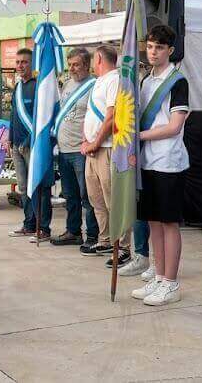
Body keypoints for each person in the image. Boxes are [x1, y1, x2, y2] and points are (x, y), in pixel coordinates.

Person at [129, 25, 190, 305]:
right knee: (153, 221)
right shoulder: (145, 80)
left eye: (160, 48)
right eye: (151, 47)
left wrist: (139, 136)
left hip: (169, 162)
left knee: (169, 223)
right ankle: (159, 275)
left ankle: (171, 282)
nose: (153, 52)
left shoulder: (177, 82)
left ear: (170, 51)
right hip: (147, 160)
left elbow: (174, 126)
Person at [81, 45, 131, 262]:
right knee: (97, 199)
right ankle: (105, 239)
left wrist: (96, 142)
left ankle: (123, 247)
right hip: (92, 149)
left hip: (107, 148)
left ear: (99, 58)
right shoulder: (99, 81)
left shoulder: (114, 79)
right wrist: (86, 140)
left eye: (94, 59)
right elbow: (92, 113)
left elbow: (112, 116)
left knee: (113, 199)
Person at [50, 48, 100, 248]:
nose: (71, 68)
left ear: (87, 65)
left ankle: (94, 236)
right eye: (69, 64)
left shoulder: (94, 86)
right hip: (64, 149)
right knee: (70, 195)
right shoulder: (68, 84)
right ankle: (73, 231)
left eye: (76, 64)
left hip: (82, 150)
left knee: (88, 196)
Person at [6, 47, 53, 242]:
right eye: (18, 62)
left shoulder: (38, 87)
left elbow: (42, 119)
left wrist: (27, 142)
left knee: (39, 187)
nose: (20, 66)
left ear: (32, 64)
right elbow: (13, 115)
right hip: (16, 146)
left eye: (24, 62)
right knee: (24, 188)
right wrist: (9, 138)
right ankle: (29, 224)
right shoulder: (18, 87)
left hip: (33, 146)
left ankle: (43, 228)